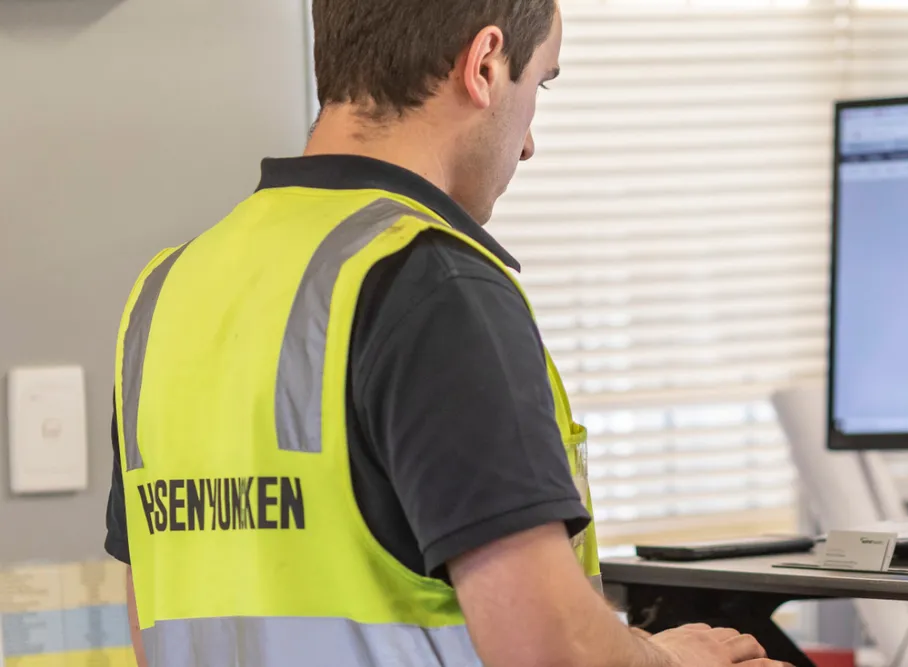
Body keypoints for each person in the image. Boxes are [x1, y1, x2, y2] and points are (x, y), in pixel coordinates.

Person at [101, 1, 788, 666]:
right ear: (485, 64)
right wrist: (668, 658)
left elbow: (151, 623)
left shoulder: (168, 292)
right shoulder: (430, 286)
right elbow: (547, 647)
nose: (527, 141)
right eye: (539, 82)